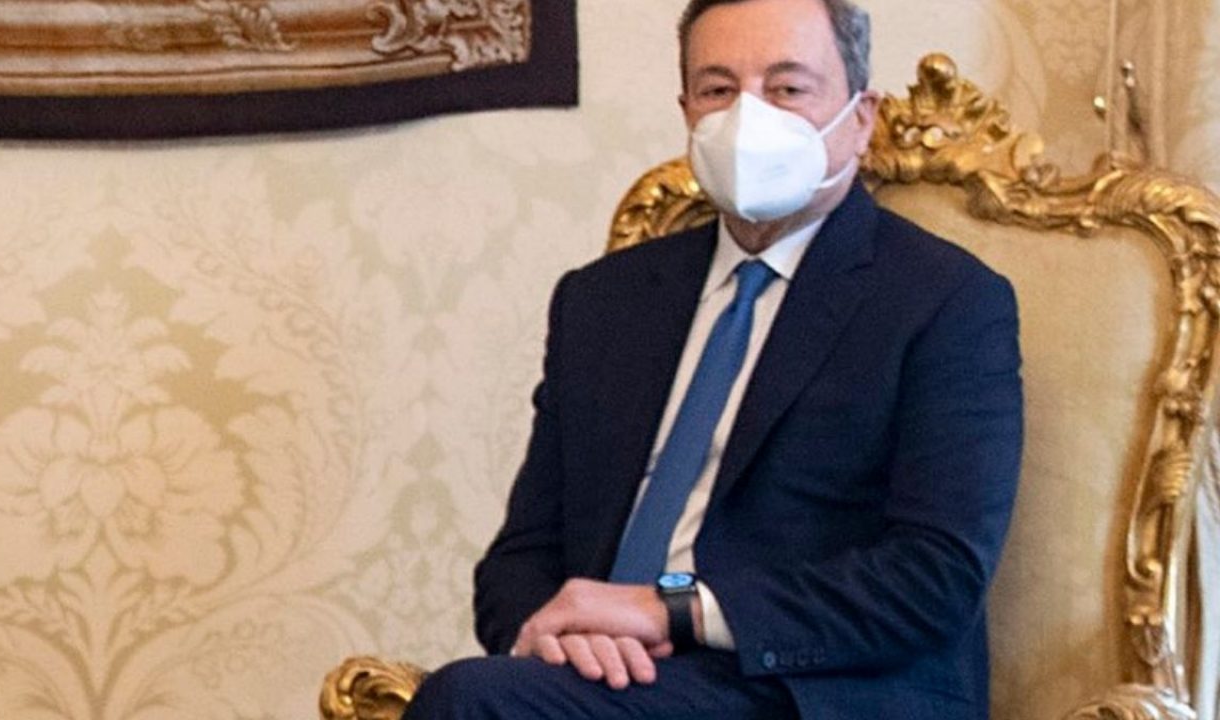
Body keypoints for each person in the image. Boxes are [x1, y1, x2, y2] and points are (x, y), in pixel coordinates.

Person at [403, 0, 1023, 717]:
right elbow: (520, 558)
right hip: (613, 678)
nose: (748, 117)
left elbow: (936, 575)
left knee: (468, 703)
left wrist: (674, 607)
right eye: (718, 90)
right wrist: (559, 635)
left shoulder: (945, 300)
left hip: (805, 688)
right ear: (687, 113)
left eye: (788, 88)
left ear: (861, 118)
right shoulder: (603, 300)